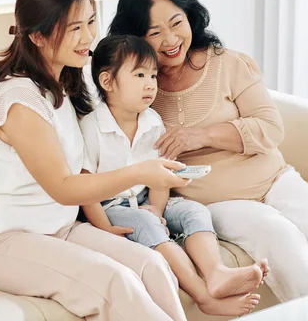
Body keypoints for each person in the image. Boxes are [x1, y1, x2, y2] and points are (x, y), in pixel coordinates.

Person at [108, 0, 308, 303]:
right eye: (154, 32)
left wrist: (200, 136)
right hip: (217, 202)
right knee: (278, 234)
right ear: (136, 39)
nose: (170, 39)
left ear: (190, 18)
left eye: (176, 23)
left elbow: (271, 127)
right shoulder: (139, 87)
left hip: (274, 179)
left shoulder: (228, 63)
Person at [0, 0, 194, 321]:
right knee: (114, 281)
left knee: (150, 263)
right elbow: (63, 186)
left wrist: (103, 225)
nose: (89, 36)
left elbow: (83, 168)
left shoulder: (66, 84)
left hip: (58, 227)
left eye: (91, 22)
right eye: (75, 27)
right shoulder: (19, 99)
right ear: (39, 36)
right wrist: (139, 172)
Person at [81, 34, 266, 318]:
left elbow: (161, 175)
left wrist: (156, 208)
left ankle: (216, 273)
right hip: (109, 206)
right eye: (140, 74)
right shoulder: (91, 127)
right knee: (144, 221)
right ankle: (202, 295)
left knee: (193, 211)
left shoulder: (153, 122)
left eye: (153, 75)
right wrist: (104, 227)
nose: (150, 84)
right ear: (107, 82)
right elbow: (85, 187)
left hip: (145, 198)